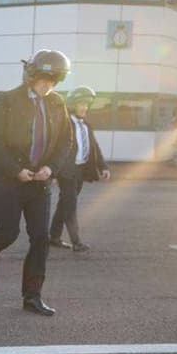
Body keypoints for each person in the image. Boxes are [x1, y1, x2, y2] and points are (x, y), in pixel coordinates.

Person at [0, 49, 72, 316]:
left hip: (39, 182)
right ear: (32, 76)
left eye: (53, 81)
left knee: (41, 237)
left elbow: (65, 141)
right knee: (7, 232)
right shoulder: (7, 100)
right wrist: (16, 170)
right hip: (8, 179)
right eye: (44, 80)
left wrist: (50, 168)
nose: (47, 86)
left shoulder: (57, 104)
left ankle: (32, 296)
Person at [50, 86, 110, 252]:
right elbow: (54, 147)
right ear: (72, 105)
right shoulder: (64, 124)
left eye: (86, 104)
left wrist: (103, 167)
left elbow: (94, 147)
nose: (84, 107)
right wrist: (53, 172)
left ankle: (53, 237)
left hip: (80, 171)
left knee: (64, 204)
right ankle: (76, 242)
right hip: (66, 171)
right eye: (80, 104)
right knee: (70, 205)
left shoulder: (86, 126)